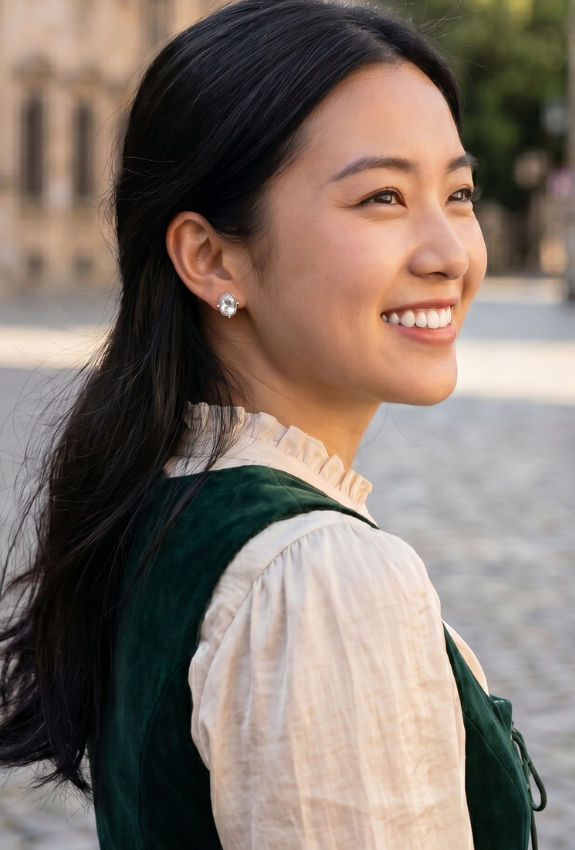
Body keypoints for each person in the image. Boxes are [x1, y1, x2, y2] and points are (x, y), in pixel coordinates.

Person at [0, 1, 545, 848]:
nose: (449, 253)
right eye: (382, 197)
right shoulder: (319, 578)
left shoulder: (163, 500)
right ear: (212, 258)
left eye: (459, 193)